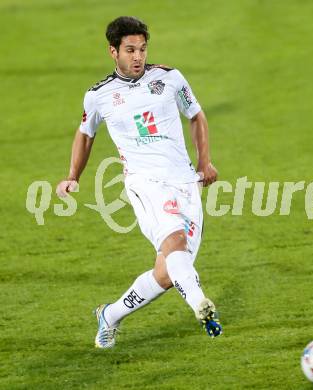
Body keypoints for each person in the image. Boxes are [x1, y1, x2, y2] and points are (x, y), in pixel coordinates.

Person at [56, 16, 222, 348]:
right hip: (145, 183)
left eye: (142, 49)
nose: (138, 57)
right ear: (113, 51)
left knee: (168, 273)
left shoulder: (170, 78)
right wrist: (72, 177)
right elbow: (85, 134)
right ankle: (201, 305)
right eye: (130, 50)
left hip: (184, 180)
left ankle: (110, 315)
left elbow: (196, 115)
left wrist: (204, 161)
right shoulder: (99, 95)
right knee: (175, 243)